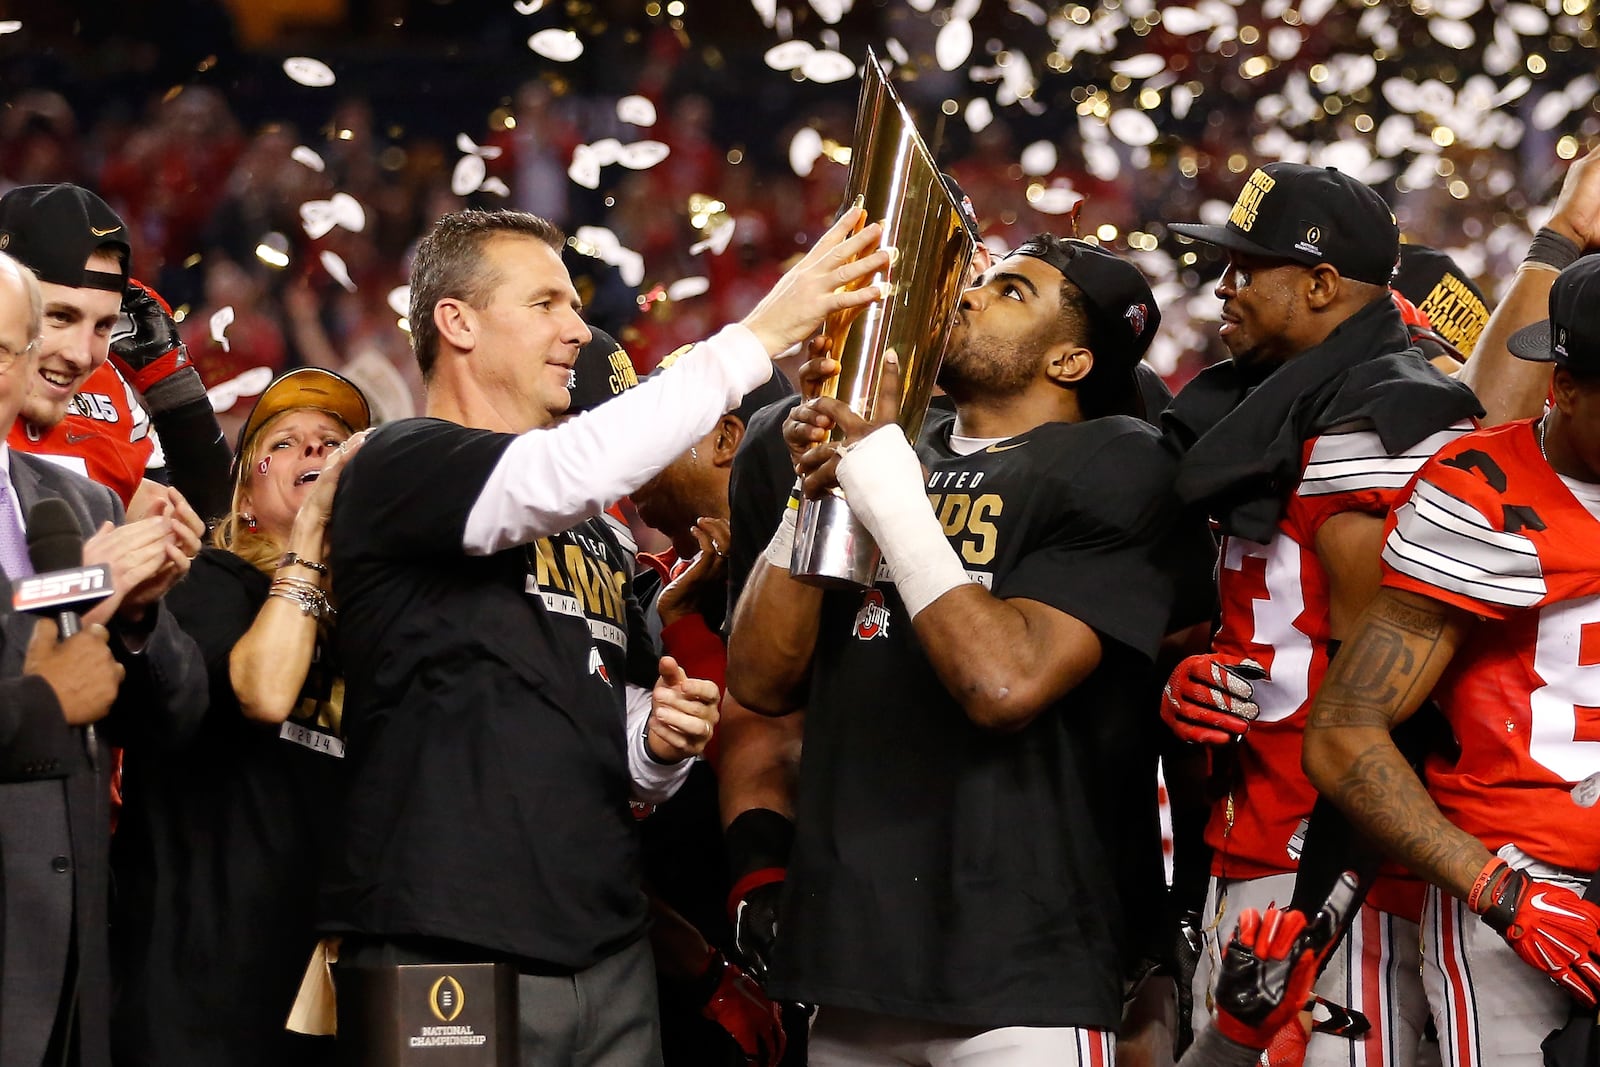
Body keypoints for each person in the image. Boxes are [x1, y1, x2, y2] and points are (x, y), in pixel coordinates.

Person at [322, 205, 889, 1066]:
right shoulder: (397, 464)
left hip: (606, 942)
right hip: (444, 934)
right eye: (546, 303)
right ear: (457, 320)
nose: (577, 329)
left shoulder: (592, 534)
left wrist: (655, 740)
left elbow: (607, 731)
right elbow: (558, 471)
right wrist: (756, 336)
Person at [726, 233, 1182, 1064]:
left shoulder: (1116, 459)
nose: (969, 294)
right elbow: (758, 679)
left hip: (1021, 969)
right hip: (852, 959)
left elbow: (1003, 683)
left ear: (1072, 361)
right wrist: (814, 492)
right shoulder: (893, 447)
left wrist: (886, 486)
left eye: (1013, 291)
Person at [1157, 162, 1484, 1065]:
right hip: (1245, 829)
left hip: (1330, 861)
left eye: (1246, 267)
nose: (1223, 286)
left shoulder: (1383, 417)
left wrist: (1322, 904)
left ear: (1320, 284)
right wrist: (1182, 680)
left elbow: (1389, 703)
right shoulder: (1272, 403)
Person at [1301, 254, 1600, 1067]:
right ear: (1564, 387)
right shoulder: (1484, 493)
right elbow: (1343, 732)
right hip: (1528, 880)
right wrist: (1502, 893)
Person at [109, 368, 370, 1067]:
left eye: (334, 442)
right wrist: (310, 542)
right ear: (247, 495)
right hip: (200, 986)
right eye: (284, 443)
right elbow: (264, 691)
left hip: (319, 988)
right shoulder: (207, 586)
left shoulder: (377, 625)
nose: (314, 451)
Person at [0, 247, 207, 1067]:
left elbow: (175, 714)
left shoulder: (76, 502)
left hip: (72, 963)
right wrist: (46, 700)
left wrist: (139, 612)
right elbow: (43, 664)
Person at [0, 183, 231, 522]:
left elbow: (218, 534)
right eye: (60, 317)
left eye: (103, 325)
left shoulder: (109, 390)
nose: (81, 355)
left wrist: (175, 391)